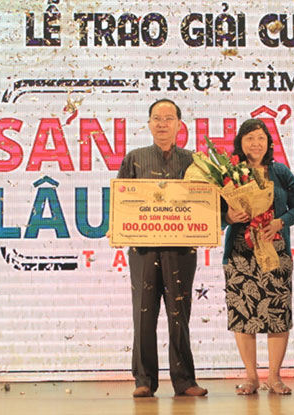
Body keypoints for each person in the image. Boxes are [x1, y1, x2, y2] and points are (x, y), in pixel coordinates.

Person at [116, 99, 207, 398]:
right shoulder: (134, 158)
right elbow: (121, 200)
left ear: (180, 124)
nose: (163, 123)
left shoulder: (194, 162)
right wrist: (118, 224)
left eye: (169, 118)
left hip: (181, 248)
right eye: (157, 118)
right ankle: (144, 380)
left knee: (179, 313)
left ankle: (185, 380)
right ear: (149, 123)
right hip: (143, 248)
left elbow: (205, 201)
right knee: (143, 313)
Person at [222, 119, 294, 395]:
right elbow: (216, 213)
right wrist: (229, 216)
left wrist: (280, 222)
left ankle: (274, 377)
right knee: (243, 315)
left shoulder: (280, 171)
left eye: (260, 138)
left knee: (277, 315)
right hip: (240, 253)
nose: (255, 143)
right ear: (240, 143)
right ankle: (251, 377)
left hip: (275, 251)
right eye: (249, 138)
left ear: (269, 143)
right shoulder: (230, 174)